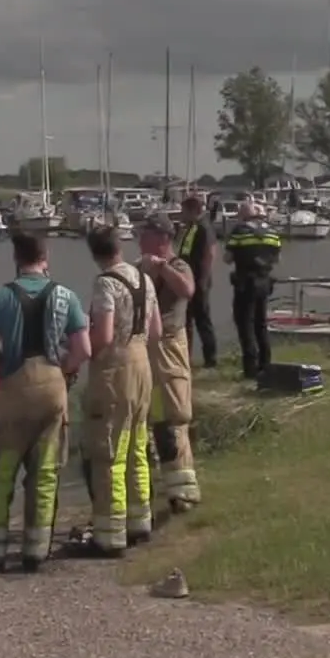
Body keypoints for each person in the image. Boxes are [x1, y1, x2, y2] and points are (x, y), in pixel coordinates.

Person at [0, 232, 90, 572]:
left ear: (16, 259)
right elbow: (84, 349)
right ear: (45, 258)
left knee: (0, 470)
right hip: (53, 387)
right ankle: (37, 549)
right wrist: (63, 371)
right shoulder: (67, 295)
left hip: (15, 387)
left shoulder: (0, 296)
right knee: (46, 471)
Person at [72, 223, 162, 558]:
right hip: (143, 365)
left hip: (116, 368)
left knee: (109, 449)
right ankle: (141, 521)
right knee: (138, 444)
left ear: (94, 252)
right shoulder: (145, 279)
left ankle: (110, 533)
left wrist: (81, 348)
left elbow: (104, 335)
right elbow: (156, 331)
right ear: (119, 247)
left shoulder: (105, 283)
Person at [139, 212, 201, 511]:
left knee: (175, 417)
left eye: (146, 235)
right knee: (146, 418)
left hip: (170, 346)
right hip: (142, 348)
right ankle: (150, 488)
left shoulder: (177, 265)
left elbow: (187, 290)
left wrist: (161, 268)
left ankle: (184, 493)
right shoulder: (139, 267)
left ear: (163, 239)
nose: (140, 240)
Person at [224, 202, 282, 378]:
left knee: (245, 324)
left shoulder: (239, 231)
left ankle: (250, 368)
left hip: (245, 283)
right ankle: (266, 364)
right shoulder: (273, 233)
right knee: (261, 324)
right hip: (264, 283)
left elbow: (227, 258)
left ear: (244, 215)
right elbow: (278, 259)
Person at [175, 194, 221, 368]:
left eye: (183, 211)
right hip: (188, 279)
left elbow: (210, 253)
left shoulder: (203, 227)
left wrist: (202, 279)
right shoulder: (192, 227)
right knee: (186, 320)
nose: (181, 214)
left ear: (193, 210)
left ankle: (211, 359)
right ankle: (185, 356)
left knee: (202, 320)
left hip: (198, 281)